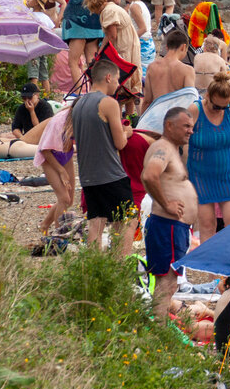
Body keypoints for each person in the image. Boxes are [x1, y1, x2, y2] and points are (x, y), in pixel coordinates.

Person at [73, 58, 137, 256]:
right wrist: (127, 132)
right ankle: (120, 267)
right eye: (117, 80)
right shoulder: (108, 103)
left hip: (88, 175)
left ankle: (94, 269)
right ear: (108, 77)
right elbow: (120, 144)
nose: (118, 85)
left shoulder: (78, 103)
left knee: (97, 223)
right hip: (111, 174)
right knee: (127, 220)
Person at [140, 107, 198, 322]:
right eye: (186, 126)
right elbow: (149, 175)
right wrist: (166, 204)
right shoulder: (162, 148)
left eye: (191, 127)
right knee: (167, 281)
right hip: (168, 225)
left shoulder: (172, 149)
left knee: (170, 281)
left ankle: (159, 325)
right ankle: (158, 329)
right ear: (169, 125)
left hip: (174, 226)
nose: (190, 131)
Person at [187, 71, 230, 241]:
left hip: (226, 173)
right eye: (217, 106)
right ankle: (209, 265)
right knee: (207, 225)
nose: (221, 109)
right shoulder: (195, 110)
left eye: (224, 106)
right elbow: (181, 140)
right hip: (200, 175)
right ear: (208, 97)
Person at [87, 0, 142, 98]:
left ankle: (119, 110)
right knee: (131, 81)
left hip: (124, 47)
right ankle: (129, 113)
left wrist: (101, 53)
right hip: (130, 44)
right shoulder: (113, 7)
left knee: (123, 80)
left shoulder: (108, 12)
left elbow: (112, 36)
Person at [34, 104, 75, 236]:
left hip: (66, 154)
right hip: (50, 157)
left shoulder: (82, 119)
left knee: (70, 199)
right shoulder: (59, 121)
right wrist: (61, 171)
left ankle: (45, 225)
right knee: (64, 198)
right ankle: (59, 235)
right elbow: (45, 150)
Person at [61, 0, 104, 87]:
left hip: (77, 33)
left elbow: (68, 15)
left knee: (73, 62)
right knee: (92, 62)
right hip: (94, 33)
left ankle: (78, 92)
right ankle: (95, 90)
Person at [141, 31, 195, 111]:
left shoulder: (152, 67)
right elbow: (190, 100)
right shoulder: (187, 70)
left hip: (156, 114)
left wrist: (143, 120)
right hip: (176, 117)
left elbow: (147, 101)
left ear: (166, 47)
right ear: (184, 47)